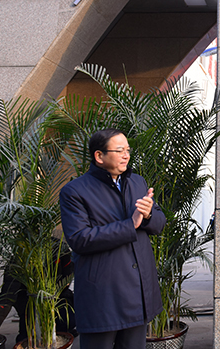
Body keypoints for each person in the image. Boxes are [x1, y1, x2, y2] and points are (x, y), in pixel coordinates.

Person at [59, 129, 166, 349]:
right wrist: (130, 224)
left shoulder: (137, 182)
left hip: (138, 293)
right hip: (103, 297)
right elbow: (80, 239)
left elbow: (159, 224)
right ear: (99, 156)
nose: (126, 155)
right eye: (119, 150)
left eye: (127, 150)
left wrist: (148, 215)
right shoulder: (74, 192)